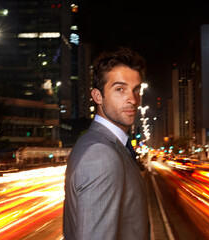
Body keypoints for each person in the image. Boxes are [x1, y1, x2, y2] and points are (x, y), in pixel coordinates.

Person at [63, 47, 149, 240]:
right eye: (120, 89)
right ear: (97, 96)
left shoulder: (106, 144)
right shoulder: (100, 154)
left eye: (136, 90)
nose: (133, 99)